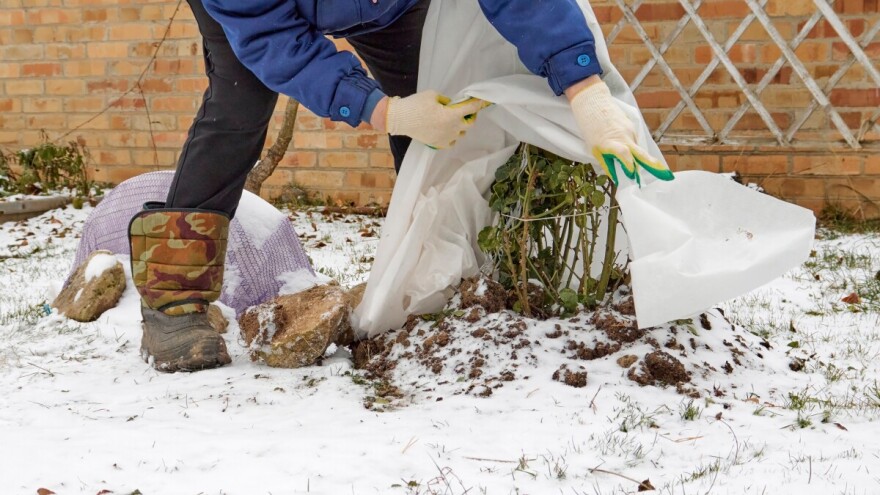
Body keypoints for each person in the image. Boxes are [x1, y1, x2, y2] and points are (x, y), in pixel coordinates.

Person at [129, 0, 665, 372]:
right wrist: (384, 112)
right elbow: (273, 40)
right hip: (261, 16)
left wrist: (583, 85)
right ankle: (173, 301)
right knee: (238, 108)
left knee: (432, 107)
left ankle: (433, 273)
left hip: (389, 6)